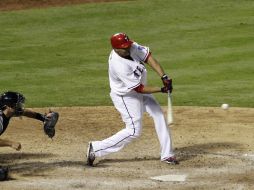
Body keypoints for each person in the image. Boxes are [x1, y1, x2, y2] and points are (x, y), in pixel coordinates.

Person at [86, 33, 178, 166]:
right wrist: (162, 89)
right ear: (116, 49)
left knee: (158, 114)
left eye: (128, 46)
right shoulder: (118, 64)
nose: (128, 49)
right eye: (124, 48)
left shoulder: (130, 46)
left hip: (139, 91)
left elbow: (148, 57)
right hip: (126, 96)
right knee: (134, 131)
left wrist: (163, 76)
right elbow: (139, 89)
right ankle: (96, 148)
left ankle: (167, 154)